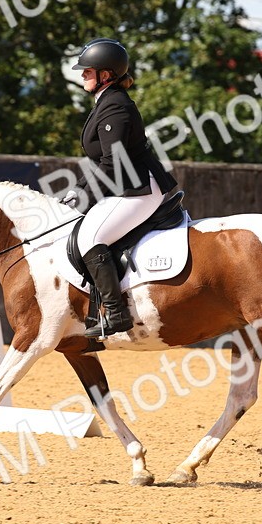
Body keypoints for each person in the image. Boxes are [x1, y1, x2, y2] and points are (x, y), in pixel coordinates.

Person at [63, 38, 178, 338]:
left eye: (88, 70)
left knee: (91, 235)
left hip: (139, 188)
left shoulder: (116, 105)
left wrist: (85, 195)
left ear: (106, 74)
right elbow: (102, 161)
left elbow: (113, 163)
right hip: (126, 187)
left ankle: (116, 314)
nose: (82, 75)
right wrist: (79, 189)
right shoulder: (106, 101)